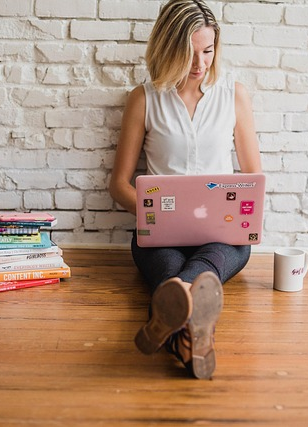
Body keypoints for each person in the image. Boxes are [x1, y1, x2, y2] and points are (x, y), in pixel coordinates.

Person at [108, 0, 262, 380]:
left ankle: (172, 319)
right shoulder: (144, 99)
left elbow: (253, 178)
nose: (200, 63)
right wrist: (155, 215)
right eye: (189, 52)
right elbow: (119, 185)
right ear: (168, 48)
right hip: (159, 236)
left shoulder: (233, 95)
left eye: (207, 51)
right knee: (180, 271)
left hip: (223, 237)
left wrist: (244, 211)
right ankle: (195, 336)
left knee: (180, 280)